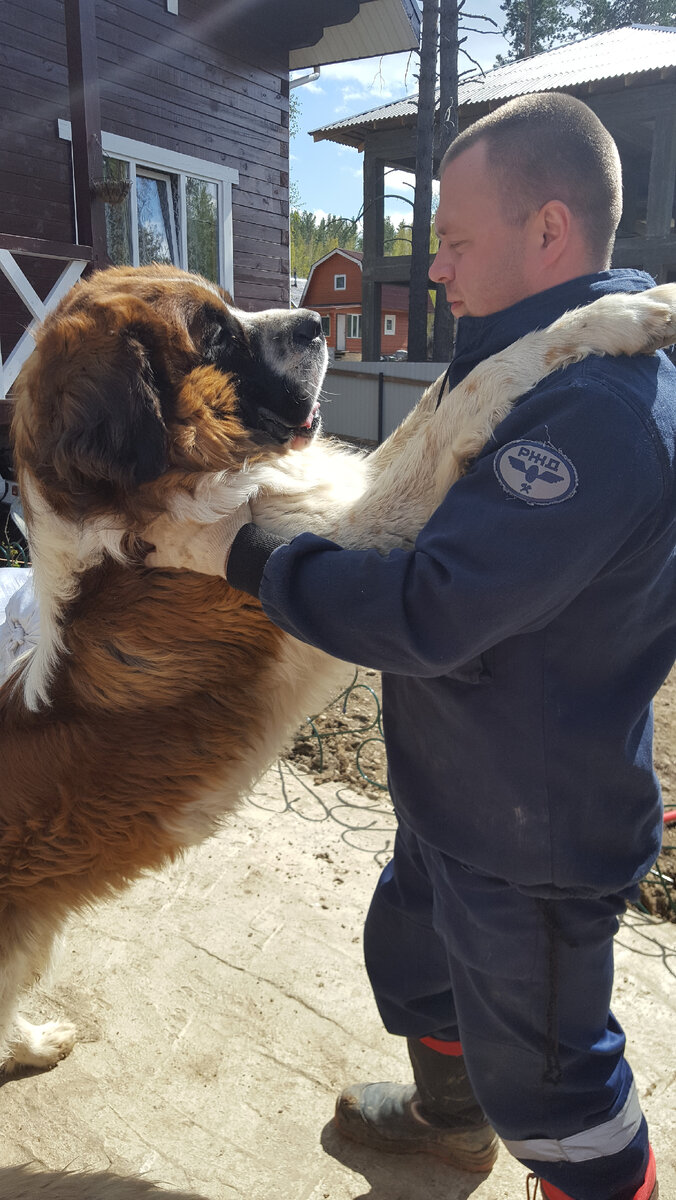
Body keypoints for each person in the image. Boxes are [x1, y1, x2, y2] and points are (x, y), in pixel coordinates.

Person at [151, 94, 674, 1199]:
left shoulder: (593, 414)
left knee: (559, 1088)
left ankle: (584, 1172)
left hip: (531, 835)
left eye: (452, 240)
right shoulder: (517, 364)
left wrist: (236, 560)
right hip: (463, 791)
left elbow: (425, 614)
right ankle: (450, 1125)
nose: (432, 267)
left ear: (547, 230)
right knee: (419, 969)